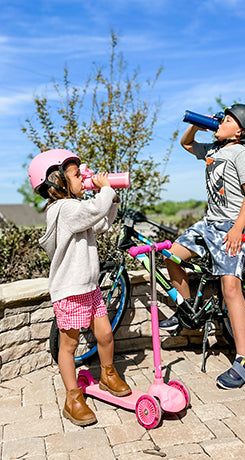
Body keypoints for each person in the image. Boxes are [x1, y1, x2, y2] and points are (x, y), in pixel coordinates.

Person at [159, 104, 245, 389]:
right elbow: (186, 143)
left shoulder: (241, 153)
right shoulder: (214, 150)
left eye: (227, 120)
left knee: (230, 288)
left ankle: (244, 359)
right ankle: (183, 311)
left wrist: (237, 229)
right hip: (208, 224)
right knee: (170, 256)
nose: (221, 122)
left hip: (231, 226)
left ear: (241, 131)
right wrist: (198, 125)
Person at [28, 149, 131, 426]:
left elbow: (101, 222)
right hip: (71, 291)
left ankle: (108, 374)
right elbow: (92, 209)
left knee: (106, 335)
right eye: (77, 175)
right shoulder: (62, 210)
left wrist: (112, 200)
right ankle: (72, 398)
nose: (83, 179)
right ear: (57, 180)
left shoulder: (75, 210)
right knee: (69, 345)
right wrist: (105, 189)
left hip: (90, 287)